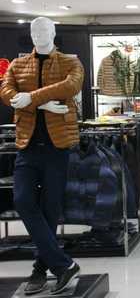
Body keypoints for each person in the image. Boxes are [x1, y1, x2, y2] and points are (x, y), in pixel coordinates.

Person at [0, 17, 84, 295]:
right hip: (27, 145)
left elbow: (71, 87)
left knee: (50, 209)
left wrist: (33, 98)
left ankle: (39, 269)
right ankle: (63, 265)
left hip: (57, 146)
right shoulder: (17, 64)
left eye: (44, 29)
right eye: (34, 30)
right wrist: (43, 104)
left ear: (54, 32)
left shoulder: (71, 62)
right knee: (23, 200)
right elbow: (7, 93)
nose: (38, 34)